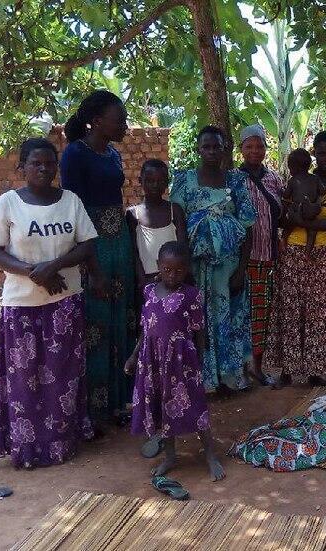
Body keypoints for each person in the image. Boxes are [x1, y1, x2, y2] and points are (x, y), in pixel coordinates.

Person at [0, 138, 97, 467]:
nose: (44, 169)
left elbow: (87, 245)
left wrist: (53, 266)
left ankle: (60, 444)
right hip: (21, 304)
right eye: (36, 163)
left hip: (65, 301)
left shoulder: (70, 201)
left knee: (63, 375)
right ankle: (26, 447)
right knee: (24, 378)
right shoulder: (8, 204)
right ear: (22, 167)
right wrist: (34, 272)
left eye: (50, 164)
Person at [59, 90, 135, 426]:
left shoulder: (114, 155)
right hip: (93, 247)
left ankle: (119, 402)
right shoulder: (75, 154)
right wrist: (93, 266)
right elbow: (74, 212)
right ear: (98, 120)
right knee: (95, 325)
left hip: (118, 241)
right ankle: (92, 409)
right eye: (120, 119)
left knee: (122, 321)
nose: (125, 125)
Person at [125, 241, 225, 481]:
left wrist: (199, 363)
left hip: (182, 362)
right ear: (159, 266)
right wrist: (133, 355)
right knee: (162, 407)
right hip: (152, 361)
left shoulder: (191, 295)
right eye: (167, 269)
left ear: (187, 269)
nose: (173, 275)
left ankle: (210, 454)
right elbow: (145, 328)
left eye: (179, 270)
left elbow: (200, 331)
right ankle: (170, 456)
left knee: (195, 407)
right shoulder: (149, 291)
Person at [264, 130, 326, 387]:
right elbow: (282, 216)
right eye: (322, 153)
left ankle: (315, 371)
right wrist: (304, 219)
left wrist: (301, 220)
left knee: (319, 313)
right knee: (290, 309)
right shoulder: (299, 179)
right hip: (293, 251)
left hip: (324, 254)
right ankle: (287, 371)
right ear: (314, 153)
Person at [169, 126, 256, 392]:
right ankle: (203, 380)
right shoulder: (184, 180)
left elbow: (248, 226)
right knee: (199, 320)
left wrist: (241, 270)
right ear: (198, 149)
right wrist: (185, 267)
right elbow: (179, 225)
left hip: (228, 267)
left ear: (224, 149)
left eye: (216, 146)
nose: (211, 151)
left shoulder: (236, 181)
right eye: (206, 146)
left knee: (229, 319)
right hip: (197, 264)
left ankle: (229, 377)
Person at [237, 124, 286, 385]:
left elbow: (283, 213)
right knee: (245, 313)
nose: (255, 151)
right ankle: (243, 368)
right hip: (245, 258)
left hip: (271, 256)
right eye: (249, 146)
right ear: (241, 149)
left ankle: (257, 366)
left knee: (263, 314)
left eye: (260, 146)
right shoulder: (235, 179)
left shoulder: (273, 178)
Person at [126, 159, 188, 290]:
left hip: (174, 278)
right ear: (140, 181)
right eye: (150, 180)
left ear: (167, 182)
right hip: (146, 280)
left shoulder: (174, 210)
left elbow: (183, 246)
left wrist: (176, 275)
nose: (155, 185)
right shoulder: (133, 214)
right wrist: (140, 276)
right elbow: (133, 251)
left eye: (160, 181)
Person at [281, 148, 323, 255]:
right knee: (312, 232)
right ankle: (307, 253)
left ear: (294, 168)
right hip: (310, 212)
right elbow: (323, 190)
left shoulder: (293, 180)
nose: (290, 171)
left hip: (296, 210)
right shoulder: (315, 178)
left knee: (288, 227)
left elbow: (286, 195)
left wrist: (281, 193)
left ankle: (284, 240)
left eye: (290, 168)